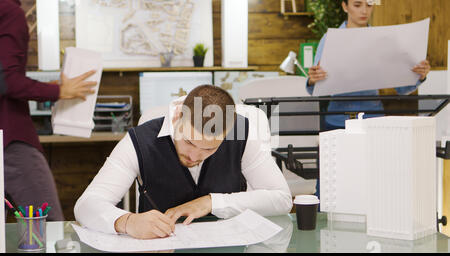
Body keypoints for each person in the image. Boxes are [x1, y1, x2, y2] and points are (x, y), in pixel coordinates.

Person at [75, 85, 293, 239]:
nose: (194, 155)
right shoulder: (139, 140)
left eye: (209, 148)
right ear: (177, 116)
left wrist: (211, 202)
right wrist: (127, 221)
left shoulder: (242, 134)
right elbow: (86, 205)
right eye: (188, 141)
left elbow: (282, 199)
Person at [0, 0, 98, 220]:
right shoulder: (10, 12)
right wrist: (60, 92)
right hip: (10, 140)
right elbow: (7, 80)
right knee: (49, 224)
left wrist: (50, 88)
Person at [306, 0, 431, 130]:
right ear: (345, 6)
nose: (364, 11)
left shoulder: (383, 40)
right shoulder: (329, 39)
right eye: (357, 5)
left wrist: (418, 75)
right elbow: (313, 88)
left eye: (369, 5)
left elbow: (402, 89)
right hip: (337, 121)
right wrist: (313, 80)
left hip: (373, 120)